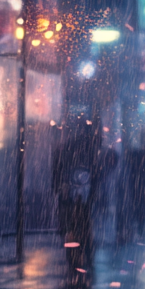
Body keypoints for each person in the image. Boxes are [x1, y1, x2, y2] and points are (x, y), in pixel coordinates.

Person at [52, 115, 116, 273]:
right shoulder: (89, 148)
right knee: (82, 223)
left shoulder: (67, 148)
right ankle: (84, 253)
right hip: (79, 192)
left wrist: (59, 187)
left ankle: (78, 253)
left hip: (75, 192)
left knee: (74, 223)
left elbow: (58, 169)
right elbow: (98, 169)